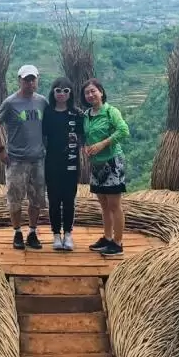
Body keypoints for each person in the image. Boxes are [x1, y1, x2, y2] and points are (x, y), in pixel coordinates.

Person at [0, 64, 49, 250]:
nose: (30, 83)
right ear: (19, 80)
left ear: (37, 79)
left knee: (37, 198)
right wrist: (0, 149)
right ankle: (17, 232)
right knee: (15, 198)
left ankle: (32, 232)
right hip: (16, 160)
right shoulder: (10, 102)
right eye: (26, 79)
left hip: (38, 159)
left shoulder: (42, 102)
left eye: (33, 79)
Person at [82, 78, 130, 258]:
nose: (90, 95)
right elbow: (86, 136)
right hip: (96, 164)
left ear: (101, 92)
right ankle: (107, 238)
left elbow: (124, 130)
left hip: (112, 162)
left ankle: (117, 243)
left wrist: (103, 144)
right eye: (87, 93)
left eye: (93, 91)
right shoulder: (86, 115)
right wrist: (86, 147)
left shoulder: (111, 112)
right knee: (103, 204)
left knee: (114, 204)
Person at [42, 76, 84, 251]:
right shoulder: (48, 113)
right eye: (58, 90)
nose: (61, 94)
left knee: (69, 200)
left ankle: (68, 234)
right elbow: (43, 136)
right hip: (52, 162)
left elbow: (83, 136)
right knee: (53, 200)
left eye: (65, 91)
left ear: (70, 93)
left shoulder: (77, 114)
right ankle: (56, 235)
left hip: (72, 163)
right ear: (53, 92)